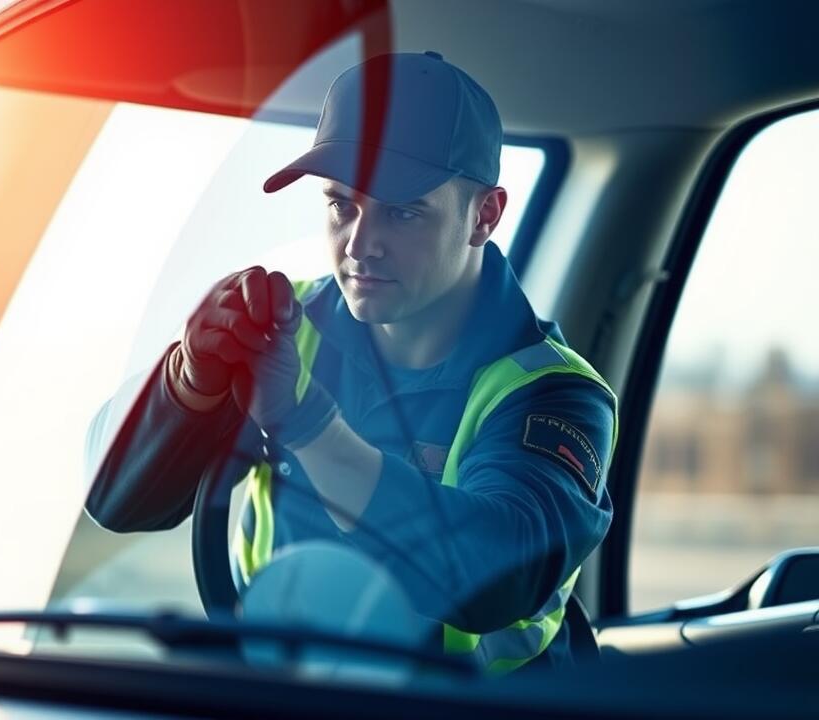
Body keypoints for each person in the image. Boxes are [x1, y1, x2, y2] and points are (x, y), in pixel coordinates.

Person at [85, 51, 616, 674]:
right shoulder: (285, 326)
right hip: (282, 694)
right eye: (342, 204)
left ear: (485, 215)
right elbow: (117, 503)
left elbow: (499, 574)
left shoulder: (554, 394)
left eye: (403, 211)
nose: (360, 244)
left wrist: (308, 425)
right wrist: (188, 382)